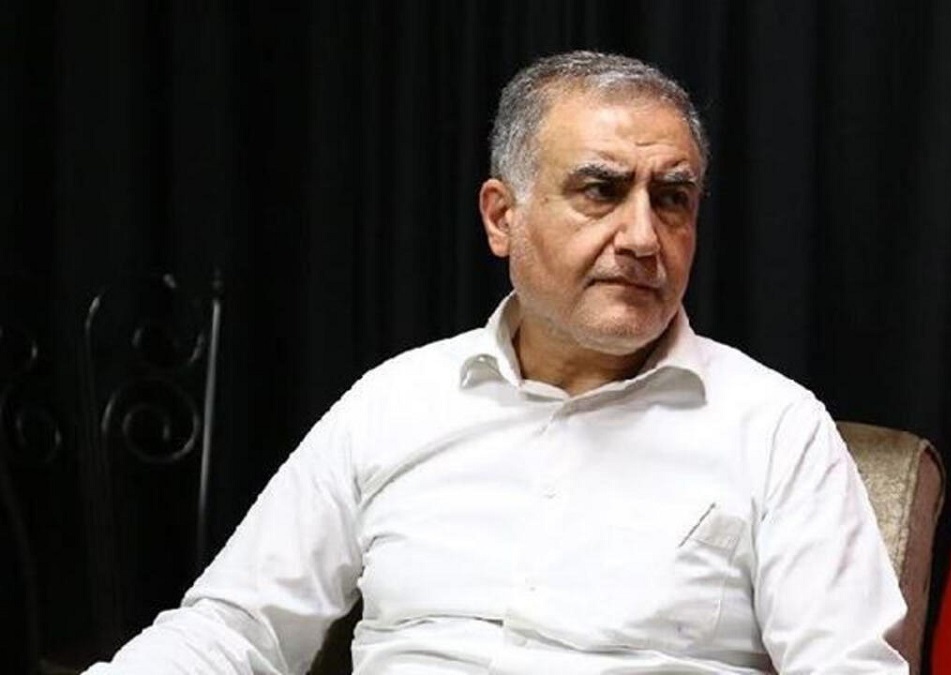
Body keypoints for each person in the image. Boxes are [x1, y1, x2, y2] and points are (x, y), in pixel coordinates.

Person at [85, 51, 907, 674]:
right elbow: (236, 627)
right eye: (600, 191)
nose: (642, 237)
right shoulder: (395, 402)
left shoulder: (775, 428)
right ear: (501, 216)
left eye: (672, 198)